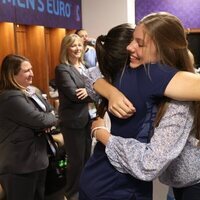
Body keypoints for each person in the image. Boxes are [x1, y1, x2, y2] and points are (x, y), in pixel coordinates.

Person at [79, 13, 200, 200]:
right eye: (131, 41)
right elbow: (91, 75)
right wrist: (112, 93)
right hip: (120, 187)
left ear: (163, 48)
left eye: (140, 43)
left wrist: (103, 134)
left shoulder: (152, 74)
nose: (130, 47)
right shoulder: (134, 73)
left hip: (100, 180)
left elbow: (90, 75)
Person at [0, 54, 58, 200]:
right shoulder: (10, 97)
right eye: (26, 71)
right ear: (12, 75)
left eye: (31, 69)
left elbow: (49, 109)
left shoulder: (30, 91)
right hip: (19, 165)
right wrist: (48, 119)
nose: (32, 73)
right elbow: (41, 120)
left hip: (35, 161)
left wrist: (48, 118)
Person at [55, 34, 94, 200]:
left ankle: (84, 191)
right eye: (73, 46)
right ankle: (71, 194)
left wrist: (91, 91)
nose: (77, 49)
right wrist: (95, 91)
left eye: (79, 45)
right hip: (73, 122)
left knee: (86, 159)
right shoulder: (63, 69)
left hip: (87, 119)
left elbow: (97, 87)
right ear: (66, 48)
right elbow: (74, 95)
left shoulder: (85, 67)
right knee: (76, 162)